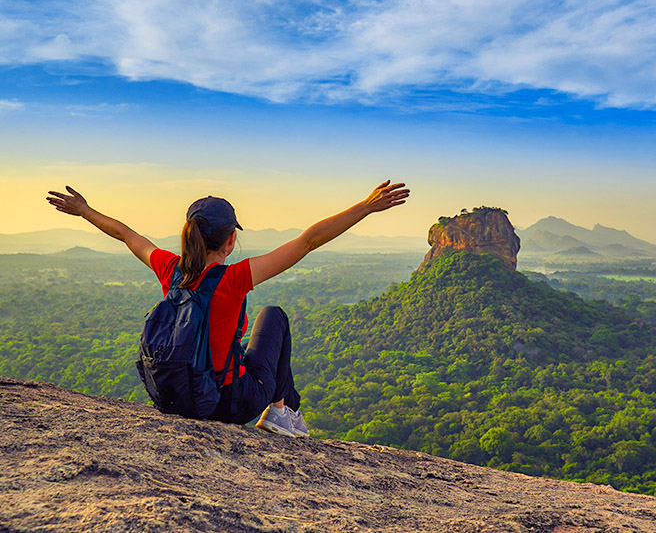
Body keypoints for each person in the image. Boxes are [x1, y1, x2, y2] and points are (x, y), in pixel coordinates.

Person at [46, 181, 410, 437]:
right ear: (231, 239)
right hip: (230, 403)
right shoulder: (233, 279)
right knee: (274, 316)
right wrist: (365, 207)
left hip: (177, 399)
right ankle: (282, 412)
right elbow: (308, 241)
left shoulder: (171, 270)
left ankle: (284, 412)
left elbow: (127, 234)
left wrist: (84, 210)